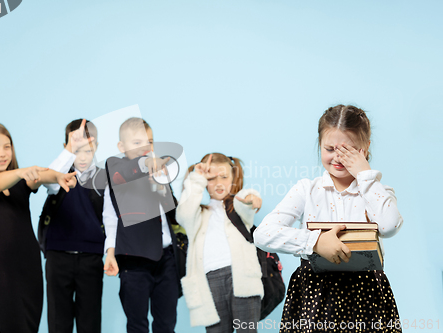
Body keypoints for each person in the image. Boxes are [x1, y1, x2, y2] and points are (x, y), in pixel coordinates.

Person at [254, 105, 403, 332]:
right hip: (314, 292)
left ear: (365, 148)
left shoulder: (377, 191)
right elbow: (262, 234)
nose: (338, 157)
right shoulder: (307, 190)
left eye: (349, 150)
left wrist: (366, 176)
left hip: (366, 293)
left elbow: (390, 225)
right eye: (330, 148)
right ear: (320, 145)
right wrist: (315, 242)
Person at [0, 121, 77, 333]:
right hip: (2, 273)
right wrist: (22, 172)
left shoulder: (20, 183)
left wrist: (58, 176)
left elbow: (42, 175)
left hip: (30, 268)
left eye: (7, 146)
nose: (3, 153)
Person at [103, 117, 181, 333]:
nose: (145, 147)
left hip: (167, 259)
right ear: (122, 147)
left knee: (166, 324)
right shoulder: (115, 167)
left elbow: (173, 214)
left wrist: (161, 184)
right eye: (137, 143)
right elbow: (109, 215)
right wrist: (110, 252)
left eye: (150, 142)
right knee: (137, 325)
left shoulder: (159, 174)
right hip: (134, 259)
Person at [177, 153, 264, 333]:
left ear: (233, 178)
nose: (218, 183)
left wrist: (251, 198)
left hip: (241, 277)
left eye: (224, 177)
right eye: (211, 178)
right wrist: (197, 178)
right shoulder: (196, 215)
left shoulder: (236, 209)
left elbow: (246, 200)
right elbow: (183, 214)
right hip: (209, 281)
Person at [39, 119, 108, 333]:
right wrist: (71, 148)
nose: (83, 156)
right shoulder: (58, 175)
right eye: (76, 150)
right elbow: (48, 181)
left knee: (90, 323)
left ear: (96, 147)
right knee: (59, 323)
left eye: (88, 150)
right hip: (58, 257)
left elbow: (113, 218)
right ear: (66, 149)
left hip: (91, 258)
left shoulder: (103, 178)